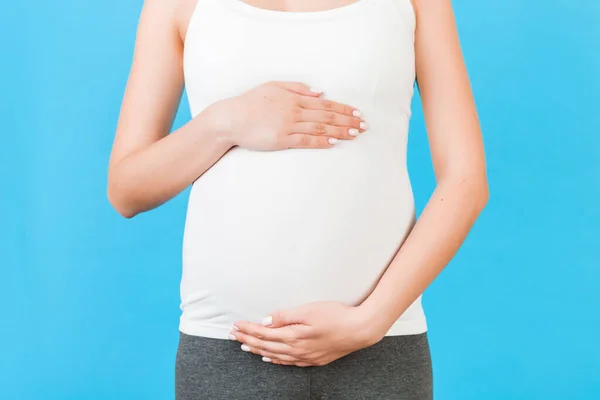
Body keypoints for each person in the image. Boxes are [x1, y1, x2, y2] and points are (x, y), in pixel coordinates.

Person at [107, 0, 488, 398]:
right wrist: (226, 123)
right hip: (228, 346)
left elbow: (465, 182)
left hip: (381, 342)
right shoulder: (176, 5)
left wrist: (369, 322)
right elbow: (127, 190)